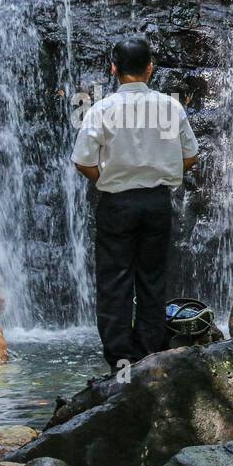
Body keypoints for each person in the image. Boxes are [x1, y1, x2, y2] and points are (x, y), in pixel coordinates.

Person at [72, 37, 199, 370]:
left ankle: (119, 359)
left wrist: (105, 180)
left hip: (116, 202)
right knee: (152, 279)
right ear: (150, 69)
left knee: (114, 281)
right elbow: (191, 155)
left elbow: (82, 160)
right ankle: (148, 353)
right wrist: (166, 173)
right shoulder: (171, 107)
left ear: (114, 69)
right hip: (157, 201)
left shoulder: (101, 109)